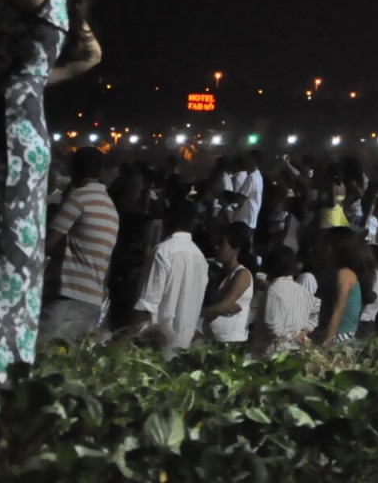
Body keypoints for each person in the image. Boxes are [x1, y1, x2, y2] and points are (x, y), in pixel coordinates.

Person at [0, 0, 100, 382]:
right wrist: (31, 84)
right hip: (20, 127)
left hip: (8, 140)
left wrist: (21, 86)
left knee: (4, 262)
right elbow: (90, 54)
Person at [40, 145, 119, 347]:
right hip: (91, 299)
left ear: (74, 169)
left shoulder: (78, 199)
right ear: (100, 172)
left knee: (43, 358)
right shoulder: (110, 207)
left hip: (67, 298)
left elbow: (48, 245)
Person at [130, 201, 208, 354]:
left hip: (154, 346)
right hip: (183, 348)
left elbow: (147, 305)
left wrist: (124, 339)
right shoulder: (201, 258)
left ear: (168, 218)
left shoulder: (163, 251)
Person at [200, 223, 256, 346]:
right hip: (213, 339)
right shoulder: (219, 273)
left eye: (221, 245)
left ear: (235, 251)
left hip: (230, 341)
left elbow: (224, 306)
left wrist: (195, 313)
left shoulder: (242, 274)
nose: (217, 248)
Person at [314, 228, 370, 344]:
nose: (321, 247)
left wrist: (327, 342)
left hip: (339, 336)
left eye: (326, 244)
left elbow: (338, 308)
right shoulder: (342, 272)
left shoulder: (344, 274)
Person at [260, 247, 320, 350]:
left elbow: (272, 326)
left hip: (274, 352)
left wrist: (292, 336)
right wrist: (305, 331)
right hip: (297, 349)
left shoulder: (273, 290)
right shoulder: (303, 290)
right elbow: (316, 312)